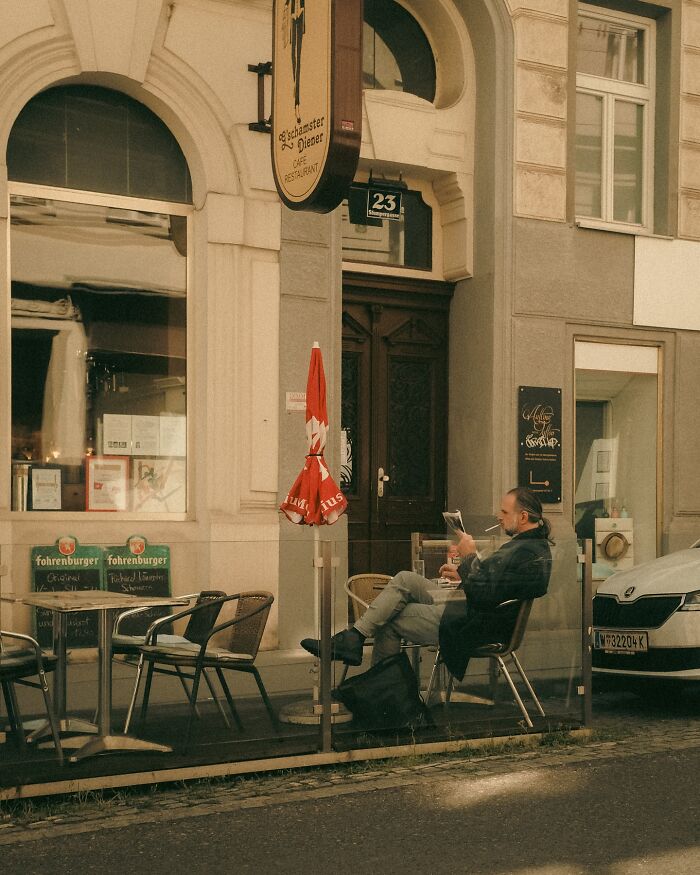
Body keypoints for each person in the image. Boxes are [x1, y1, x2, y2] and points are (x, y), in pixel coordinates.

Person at [301, 487, 553, 682]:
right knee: (404, 578)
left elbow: (485, 594)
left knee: (388, 618)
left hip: (470, 624)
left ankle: (382, 693)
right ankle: (354, 638)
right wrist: (463, 570)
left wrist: (468, 558)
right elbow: (493, 585)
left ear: (523, 516)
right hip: (465, 609)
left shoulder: (527, 552)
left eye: (504, 512)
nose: (499, 517)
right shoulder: (527, 546)